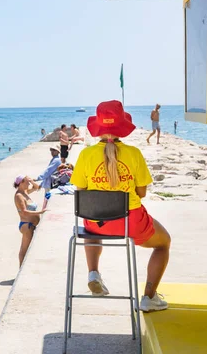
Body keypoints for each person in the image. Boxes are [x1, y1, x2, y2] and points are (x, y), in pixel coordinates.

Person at [70, 100, 171, 312]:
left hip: (97, 223)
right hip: (130, 221)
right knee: (163, 243)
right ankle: (149, 297)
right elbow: (142, 193)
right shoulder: (133, 154)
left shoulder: (85, 155)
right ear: (121, 127)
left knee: (91, 223)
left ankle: (93, 273)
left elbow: (81, 191)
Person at [14, 175, 47, 267]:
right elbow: (24, 212)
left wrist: (32, 181)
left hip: (31, 225)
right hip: (26, 225)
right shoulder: (19, 196)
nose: (29, 183)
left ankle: (22, 268)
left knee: (30, 249)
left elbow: (37, 188)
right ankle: (20, 270)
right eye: (27, 182)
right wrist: (40, 212)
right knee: (24, 249)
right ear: (21, 183)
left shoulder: (25, 193)